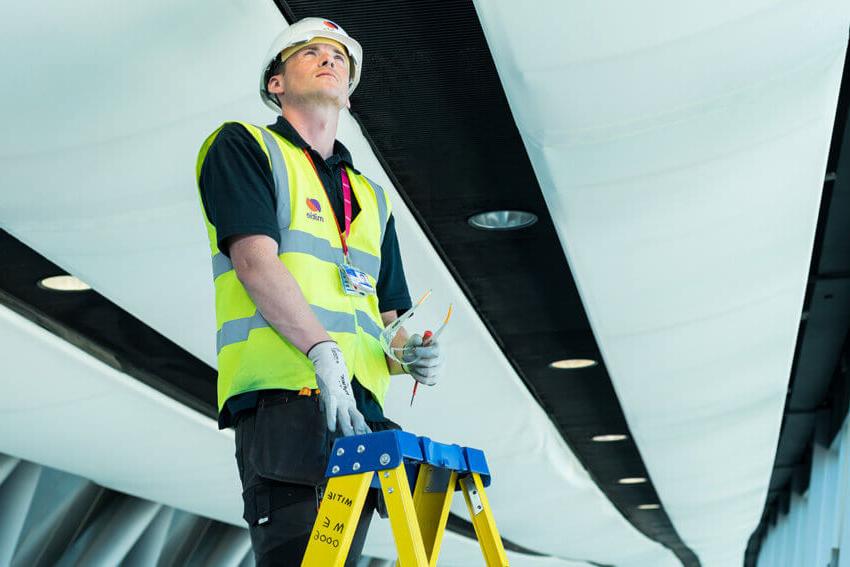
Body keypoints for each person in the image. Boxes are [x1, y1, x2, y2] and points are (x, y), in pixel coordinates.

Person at [195, 17, 444, 566]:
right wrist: (321, 351)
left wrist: (408, 352)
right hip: (287, 402)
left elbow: (386, 312)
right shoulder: (244, 146)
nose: (329, 58)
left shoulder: (371, 197)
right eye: (309, 52)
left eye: (339, 57)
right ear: (275, 83)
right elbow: (254, 262)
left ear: (349, 98)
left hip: (359, 413)